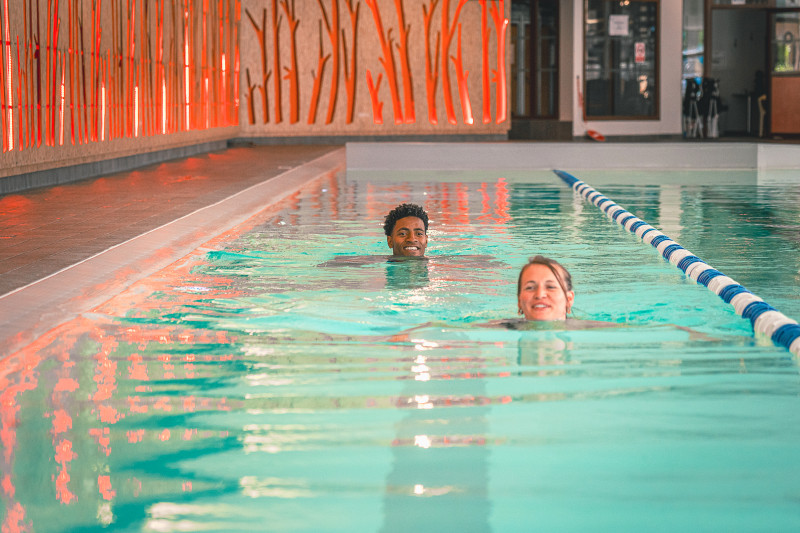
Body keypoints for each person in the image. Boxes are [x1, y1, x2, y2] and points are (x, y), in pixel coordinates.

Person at [516, 255, 574, 321]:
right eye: (530, 288)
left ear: (569, 299)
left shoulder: (586, 329)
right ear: (519, 301)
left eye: (550, 287)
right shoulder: (503, 329)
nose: (539, 295)